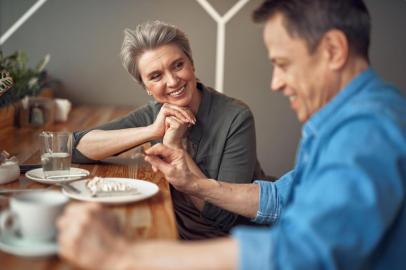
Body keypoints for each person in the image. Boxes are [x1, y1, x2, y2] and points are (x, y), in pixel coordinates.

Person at [58, 0, 406, 269]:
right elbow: (282, 198)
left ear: (332, 50)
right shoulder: (342, 121)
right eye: (155, 75)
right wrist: (193, 182)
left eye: (282, 64)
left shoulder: (367, 132)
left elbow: (304, 254)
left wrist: (123, 256)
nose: (276, 82)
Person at [71, 20, 265, 240]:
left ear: (192, 64)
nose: (173, 81)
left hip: (226, 242)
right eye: (156, 76)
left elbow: (223, 217)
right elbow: (76, 147)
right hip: (174, 228)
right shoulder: (155, 113)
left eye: (178, 65)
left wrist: (173, 146)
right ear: (146, 88)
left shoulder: (236, 117)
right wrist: (153, 131)